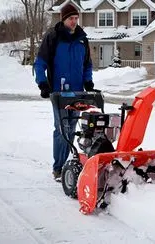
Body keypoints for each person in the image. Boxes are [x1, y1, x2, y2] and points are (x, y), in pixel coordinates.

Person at [33, 3, 94, 181]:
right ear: (63, 19)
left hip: (77, 93)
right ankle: (58, 168)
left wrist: (88, 81)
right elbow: (40, 63)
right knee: (61, 129)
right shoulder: (52, 37)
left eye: (76, 18)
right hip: (58, 93)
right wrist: (43, 84)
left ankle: (68, 165)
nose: (74, 22)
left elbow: (87, 65)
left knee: (72, 129)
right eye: (71, 19)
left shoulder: (83, 39)